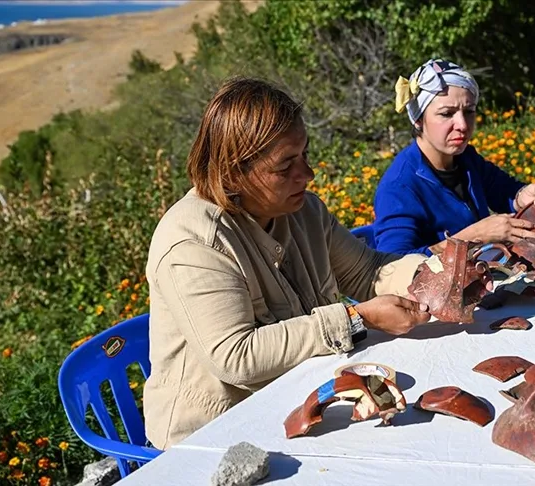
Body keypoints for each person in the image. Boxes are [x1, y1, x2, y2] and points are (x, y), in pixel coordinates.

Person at [143, 77, 431, 449]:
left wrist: (433, 277)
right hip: (213, 436)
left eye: (305, 155)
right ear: (233, 173)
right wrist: (359, 318)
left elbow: (367, 271)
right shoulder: (193, 243)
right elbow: (237, 357)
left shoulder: (303, 211)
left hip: (296, 401)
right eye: (285, 167)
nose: (307, 175)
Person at [373, 59, 535, 256]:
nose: (462, 124)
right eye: (446, 113)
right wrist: (474, 236)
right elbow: (392, 265)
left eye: (469, 112)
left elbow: (503, 191)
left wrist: (522, 195)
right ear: (418, 120)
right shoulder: (399, 187)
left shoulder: (465, 158)